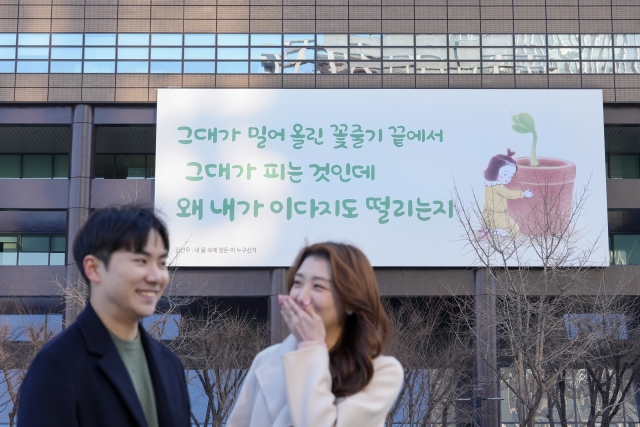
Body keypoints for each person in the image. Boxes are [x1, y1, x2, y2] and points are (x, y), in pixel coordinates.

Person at [18, 207, 191, 427]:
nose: (156, 277)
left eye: (162, 263)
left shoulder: (170, 365)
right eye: (141, 260)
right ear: (93, 268)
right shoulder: (56, 364)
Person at [227, 242, 403, 427]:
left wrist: (311, 346)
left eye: (318, 286)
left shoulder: (382, 372)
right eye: (297, 283)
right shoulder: (266, 360)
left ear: (350, 300)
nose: (302, 296)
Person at [479, 149, 534, 238]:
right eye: (505, 174)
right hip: (497, 216)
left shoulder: (489, 184)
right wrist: (523, 194)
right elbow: (509, 194)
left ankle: (487, 228)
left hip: (487, 214)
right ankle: (493, 232)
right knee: (515, 230)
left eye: (511, 176)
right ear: (494, 170)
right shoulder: (498, 187)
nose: (508, 178)